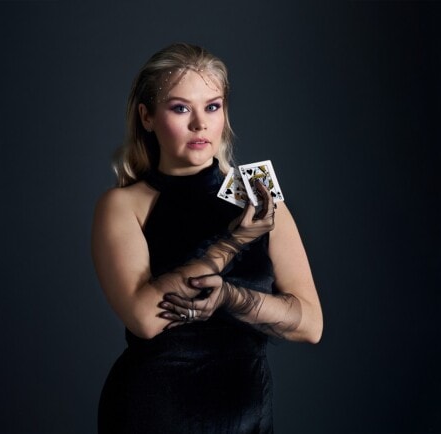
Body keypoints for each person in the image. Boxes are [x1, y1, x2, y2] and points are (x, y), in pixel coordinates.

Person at [91, 42, 323, 433]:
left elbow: (310, 324)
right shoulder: (124, 204)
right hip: (154, 413)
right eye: (180, 108)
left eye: (212, 107)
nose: (200, 124)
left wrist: (230, 297)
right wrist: (232, 243)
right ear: (147, 117)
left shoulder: (259, 198)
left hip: (247, 414)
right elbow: (146, 318)